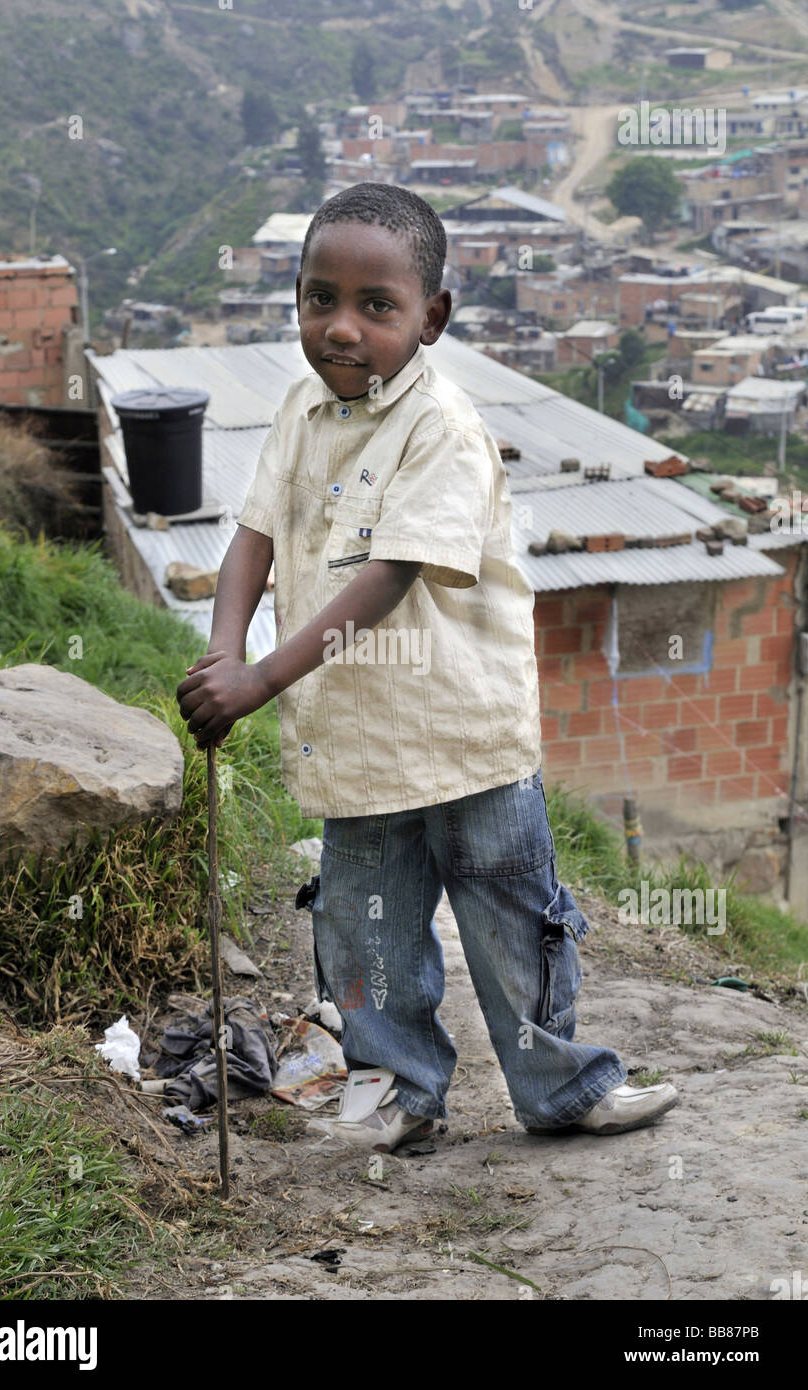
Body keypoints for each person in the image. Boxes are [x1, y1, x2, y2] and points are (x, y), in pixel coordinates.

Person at [176, 183, 678, 1153]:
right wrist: (221, 653)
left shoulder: (439, 426)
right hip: (359, 751)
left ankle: (557, 1088)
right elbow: (252, 536)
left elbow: (388, 577)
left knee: (513, 926)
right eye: (318, 299)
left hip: (467, 739)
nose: (341, 329)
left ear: (430, 317)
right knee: (364, 937)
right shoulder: (300, 412)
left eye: (376, 306)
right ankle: (399, 1094)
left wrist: (259, 681)